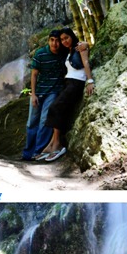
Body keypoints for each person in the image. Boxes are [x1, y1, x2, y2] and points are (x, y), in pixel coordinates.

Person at [36, 26, 94, 162]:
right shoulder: (67, 51)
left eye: (66, 38)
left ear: (72, 36)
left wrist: (90, 80)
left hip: (76, 83)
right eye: (62, 39)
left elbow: (85, 62)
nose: (64, 41)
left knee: (55, 107)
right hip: (68, 83)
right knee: (56, 109)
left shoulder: (80, 47)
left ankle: (57, 145)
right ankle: (51, 144)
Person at [21, 29, 65, 161]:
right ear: (48, 41)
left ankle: (39, 151)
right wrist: (33, 94)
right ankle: (28, 153)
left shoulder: (63, 54)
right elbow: (34, 75)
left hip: (53, 92)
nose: (55, 43)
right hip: (39, 92)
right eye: (52, 40)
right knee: (31, 122)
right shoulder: (40, 54)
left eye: (57, 41)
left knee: (44, 121)